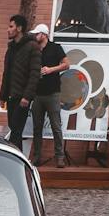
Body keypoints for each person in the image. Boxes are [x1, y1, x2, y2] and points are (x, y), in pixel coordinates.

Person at [0, 15, 39, 153]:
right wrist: (2, 96)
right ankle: (18, 159)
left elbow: (35, 74)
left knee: (16, 130)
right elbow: (7, 73)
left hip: (22, 96)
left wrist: (27, 96)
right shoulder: (11, 48)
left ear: (19, 28)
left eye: (11, 26)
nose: (8, 29)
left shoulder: (32, 46)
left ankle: (11, 158)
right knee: (15, 129)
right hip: (11, 95)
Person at [29, 25, 68, 166]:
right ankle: (37, 156)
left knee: (56, 126)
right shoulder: (34, 50)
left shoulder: (55, 48)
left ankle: (60, 156)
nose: (35, 36)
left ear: (44, 35)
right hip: (37, 94)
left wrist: (51, 69)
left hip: (53, 93)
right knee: (37, 127)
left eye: (37, 34)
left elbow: (66, 64)